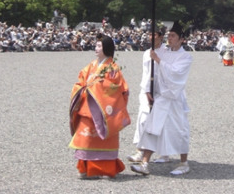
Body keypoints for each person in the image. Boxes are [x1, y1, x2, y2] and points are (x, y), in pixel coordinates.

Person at [131, 21, 193, 176]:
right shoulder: (163, 52)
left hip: (175, 99)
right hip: (161, 97)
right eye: (169, 35)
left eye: (173, 36)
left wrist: (158, 60)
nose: (170, 38)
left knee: (179, 130)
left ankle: (184, 162)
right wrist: (148, 89)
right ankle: (145, 163)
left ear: (181, 39)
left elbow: (176, 74)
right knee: (152, 128)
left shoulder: (185, 57)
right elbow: (153, 73)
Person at [69, 34, 130, 179]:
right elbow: (81, 80)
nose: (96, 48)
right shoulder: (91, 66)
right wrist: (83, 87)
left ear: (106, 48)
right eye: (96, 45)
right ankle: (85, 168)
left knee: (104, 139)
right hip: (87, 107)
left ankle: (106, 169)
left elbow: (118, 88)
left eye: (99, 46)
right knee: (86, 139)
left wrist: (97, 87)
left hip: (104, 110)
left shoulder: (113, 67)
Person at [127, 24, 169, 164]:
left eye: (154, 35)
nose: (151, 37)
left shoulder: (167, 52)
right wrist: (145, 89)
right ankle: (140, 150)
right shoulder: (146, 53)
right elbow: (146, 73)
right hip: (146, 89)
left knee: (162, 120)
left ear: (161, 37)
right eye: (149, 34)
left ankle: (164, 152)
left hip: (161, 90)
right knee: (143, 117)